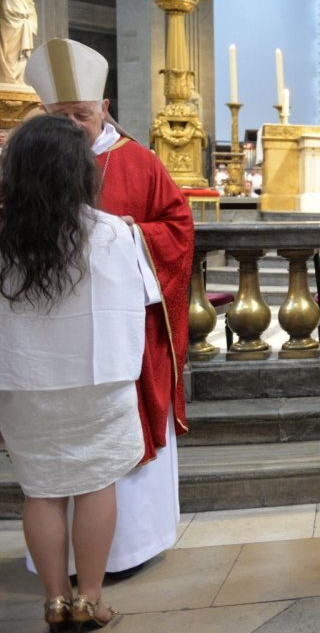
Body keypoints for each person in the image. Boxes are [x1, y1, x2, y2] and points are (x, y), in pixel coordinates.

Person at [25, 38, 194, 576]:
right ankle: (66, 573)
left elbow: (178, 229)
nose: (73, 125)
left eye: (82, 114)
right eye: (60, 116)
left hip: (127, 338)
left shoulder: (138, 163)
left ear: (105, 108)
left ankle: (128, 549)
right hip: (42, 340)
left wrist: (130, 237)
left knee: (113, 448)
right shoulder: (25, 170)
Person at [0, 115, 156, 631]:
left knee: (41, 489)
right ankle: (90, 599)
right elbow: (141, 301)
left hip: (24, 381)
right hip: (99, 378)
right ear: (79, 173)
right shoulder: (114, 233)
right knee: (95, 484)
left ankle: (54, 601)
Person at [0, 0, 38, 85]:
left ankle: (17, 79)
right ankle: (10, 78)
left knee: (18, 56)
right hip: (13, 29)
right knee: (11, 56)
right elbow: (14, 12)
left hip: (19, 29)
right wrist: (29, 10)